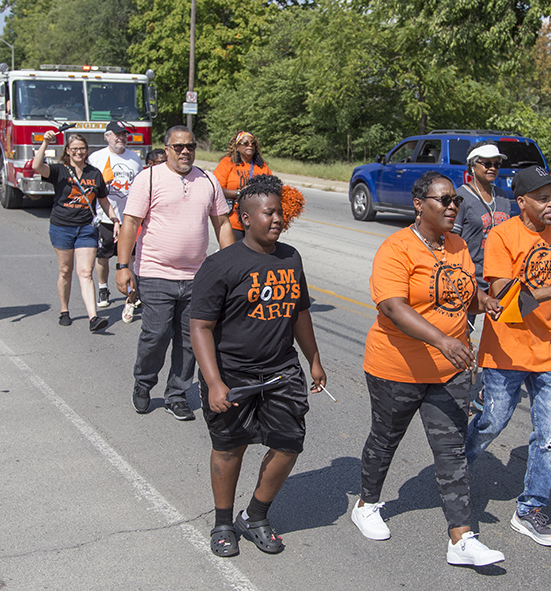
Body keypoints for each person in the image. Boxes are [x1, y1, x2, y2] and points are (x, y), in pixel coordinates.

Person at [351, 171, 506, 567]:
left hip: (449, 369)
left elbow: (458, 295)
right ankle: (367, 504)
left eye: (456, 200)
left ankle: (461, 538)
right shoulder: (397, 247)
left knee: (452, 449)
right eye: (444, 200)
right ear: (420, 205)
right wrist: (442, 340)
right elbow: (392, 306)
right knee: (385, 439)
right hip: (396, 367)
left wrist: (482, 302)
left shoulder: (456, 245)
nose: (453, 206)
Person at [190, 174, 326, 557]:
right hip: (233, 375)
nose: (277, 220)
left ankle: (256, 515)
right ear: (245, 218)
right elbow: (200, 326)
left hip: (282, 371)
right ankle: (222, 523)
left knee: (288, 444)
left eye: (280, 213)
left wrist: (313, 359)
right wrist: (214, 382)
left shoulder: (291, 257)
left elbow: (300, 312)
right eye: (268, 213)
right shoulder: (221, 265)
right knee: (230, 447)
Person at [466, 165, 551, 547]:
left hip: (549, 348)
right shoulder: (502, 236)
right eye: (543, 198)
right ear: (522, 202)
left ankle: (530, 509)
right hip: (507, 348)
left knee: (550, 436)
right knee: (491, 422)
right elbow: (507, 295)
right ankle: (454, 471)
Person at [115, 125, 234, 421]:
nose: (185, 151)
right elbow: (130, 223)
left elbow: (222, 224)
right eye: (178, 147)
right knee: (155, 335)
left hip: (197, 277)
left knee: (190, 340)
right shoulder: (150, 179)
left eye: (190, 146)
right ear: (167, 149)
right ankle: (143, 384)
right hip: (155, 273)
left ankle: (176, 394)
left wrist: (233, 266)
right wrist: (122, 266)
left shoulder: (207, 181)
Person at [32, 130, 117, 332]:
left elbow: (103, 201)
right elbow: (36, 166)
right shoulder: (59, 171)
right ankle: (64, 310)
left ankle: (93, 317)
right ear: (68, 151)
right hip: (62, 227)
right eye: (75, 149)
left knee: (86, 272)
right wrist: (45, 143)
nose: (79, 152)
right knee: (65, 271)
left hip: (87, 228)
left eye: (82, 148)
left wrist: (115, 219)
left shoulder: (94, 173)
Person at [452, 140, 512, 412]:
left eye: (496, 163)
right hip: (470, 279)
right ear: (472, 165)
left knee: (503, 338)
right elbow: (451, 239)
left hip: (499, 279)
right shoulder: (461, 197)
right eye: (486, 163)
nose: (492, 167)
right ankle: (457, 392)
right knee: (461, 336)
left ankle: (486, 392)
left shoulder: (503, 197)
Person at [87, 121, 143, 317]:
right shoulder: (96, 158)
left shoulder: (134, 159)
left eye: (123, 135)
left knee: (132, 257)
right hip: (106, 216)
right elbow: (89, 184)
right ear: (107, 136)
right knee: (103, 255)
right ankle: (103, 287)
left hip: (130, 217)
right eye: (117, 135)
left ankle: (133, 294)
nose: (121, 138)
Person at [214, 131, 272, 240]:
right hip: (232, 222)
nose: (250, 145)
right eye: (245, 143)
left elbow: (271, 190)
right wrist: (239, 192)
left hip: (256, 224)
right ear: (237, 147)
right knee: (232, 255)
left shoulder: (262, 167)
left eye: (253, 143)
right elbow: (216, 189)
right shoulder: (227, 163)